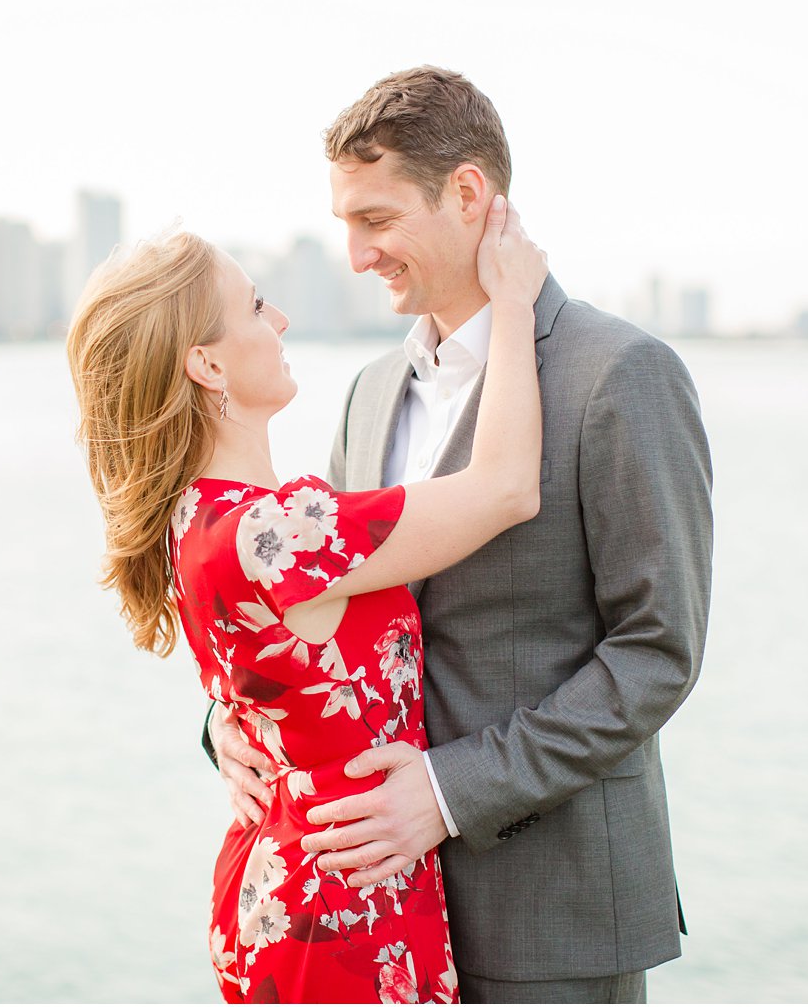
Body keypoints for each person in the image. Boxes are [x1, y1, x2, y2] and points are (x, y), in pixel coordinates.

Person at [207, 66, 715, 1003]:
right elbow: (314, 617)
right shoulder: (366, 395)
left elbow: (657, 653)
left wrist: (448, 792)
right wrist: (231, 733)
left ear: (470, 194)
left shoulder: (623, 376)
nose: (357, 255)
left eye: (377, 219)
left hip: (553, 914)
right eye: (345, 225)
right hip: (377, 916)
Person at [66, 197, 548, 1002]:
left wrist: (225, 730)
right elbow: (502, 489)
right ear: (208, 366)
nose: (280, 318)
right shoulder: (275, 530)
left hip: (282, 878)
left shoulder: (192, 517)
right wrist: (513, 305)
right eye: (255, 306)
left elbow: (266, 685)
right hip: (342, 907)